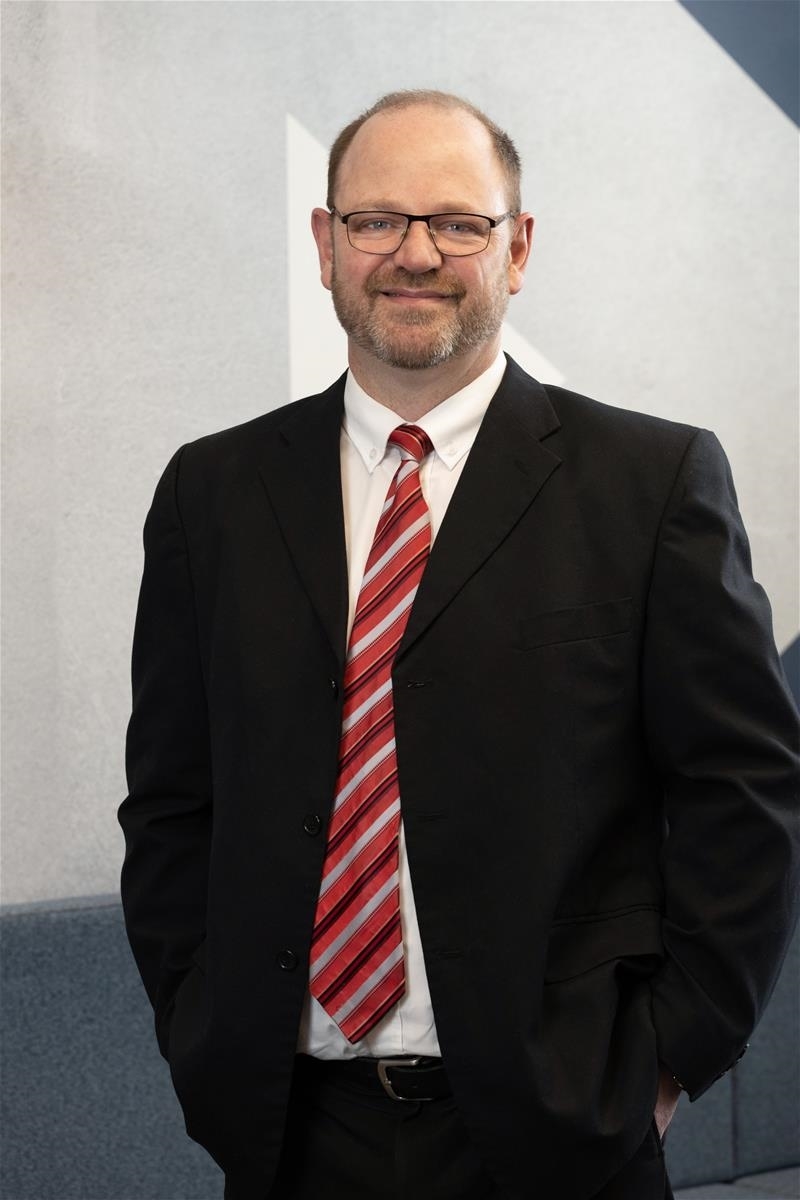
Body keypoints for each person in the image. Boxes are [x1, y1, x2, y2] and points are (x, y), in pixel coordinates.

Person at [119, 90, 799, 1200]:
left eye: (457, 222)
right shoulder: (212, 491)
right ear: (325, 245)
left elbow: (744, 792)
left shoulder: (650, 483)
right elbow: (172, 799)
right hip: (288, 1134)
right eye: (376, 220)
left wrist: (667, 1058)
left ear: (516, 248)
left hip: (561, 1131)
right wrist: (196, 1022)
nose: (415, 253)